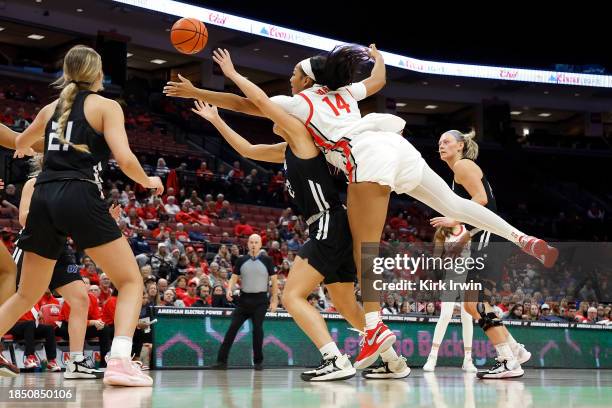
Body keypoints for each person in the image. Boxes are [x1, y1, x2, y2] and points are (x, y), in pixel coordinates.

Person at [169, 46, 557, 370]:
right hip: (395, 146)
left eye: (293, 74)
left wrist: (207, 88)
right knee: (453, 202)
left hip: (365, 156)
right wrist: (378, 56)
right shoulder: (344, 94)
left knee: (364, 247)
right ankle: (522, 237)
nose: (289, 79)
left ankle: (373, 328)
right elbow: (377, 81)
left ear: (307, 79)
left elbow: (249, 102)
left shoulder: (300, 102)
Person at [190, 60, 408, 380]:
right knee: (346, 304)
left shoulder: (302, 138)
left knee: (292, 296)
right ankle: (392, 360)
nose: (274, 120)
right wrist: (215, 119)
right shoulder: (288, 149)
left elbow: (261, 103)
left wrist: (234, 74)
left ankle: (333, 359)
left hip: (328, 224)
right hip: (337, 225)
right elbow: (248, 149)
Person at [4, 45, 163, 387]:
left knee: (24, 295)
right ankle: (120, 361)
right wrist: (149, 181)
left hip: (44, 195)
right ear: (96, 73)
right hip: (78, 192)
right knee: (132, 281)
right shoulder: (106, 106)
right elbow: (125, 157)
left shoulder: (50, 109)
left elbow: (19, 141)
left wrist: (18, 139)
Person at [435, 129, 531, 379]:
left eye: (447, 142)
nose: (441, 146)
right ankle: (514, 350)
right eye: (439, 143)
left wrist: (453, 219)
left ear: (460, 146)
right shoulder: (460, 169)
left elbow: (482, 201)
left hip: (490, 236)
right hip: (485, 235)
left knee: (474, 302)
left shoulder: (463, 166)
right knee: (472, 303)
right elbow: (480, 215)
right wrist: (464, 238)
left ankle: (509, 360)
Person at [214, 234, 278, 371]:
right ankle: (221, 362)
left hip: (260, 301)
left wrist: (274, 300)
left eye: (256, 242)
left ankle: (258, 362)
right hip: (243, 301)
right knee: (232, 330)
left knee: (257, 331)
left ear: (260, 244)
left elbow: (274, 282)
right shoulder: (241, 260)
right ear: (248, 244)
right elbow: (234, 277)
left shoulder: (267, 260)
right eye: (251, 242)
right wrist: (229, 289)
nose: (253, 244)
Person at [423, 224, 476, 373]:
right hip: (451, 277)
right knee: (445, 315)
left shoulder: (469, 228)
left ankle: (468, 359)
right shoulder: (442, 233)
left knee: (467, 317)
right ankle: (432, 357)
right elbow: (435, 259)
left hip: (469, 277)